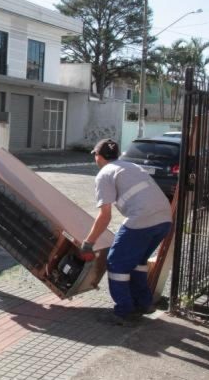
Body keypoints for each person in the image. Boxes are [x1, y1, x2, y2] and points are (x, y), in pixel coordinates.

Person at [81, 138, 172, 325]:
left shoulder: (105, 173)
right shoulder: (130, 166)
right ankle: (143, 304)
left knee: (116, 263)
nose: (95, 159)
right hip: (164, 219)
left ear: (99, 156)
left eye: (95, 155)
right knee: (138, 262)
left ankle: (124, 312)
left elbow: (105, 215)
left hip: (142, 219)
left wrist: (88, 243)